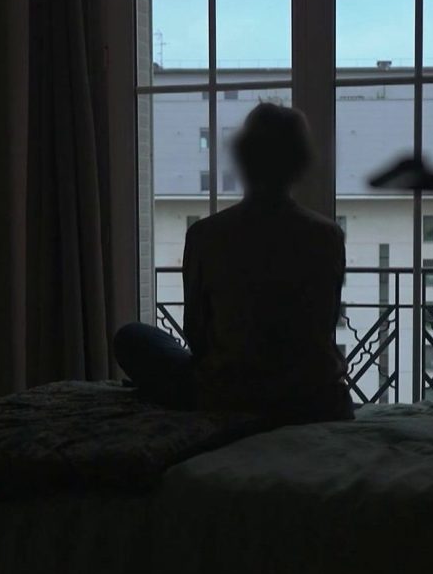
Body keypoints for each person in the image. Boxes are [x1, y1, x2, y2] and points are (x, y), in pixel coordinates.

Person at [114, 103, 353, 423]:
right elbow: (324, 327)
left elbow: (197, 334)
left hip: (229, 394)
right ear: (299, 164)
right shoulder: (328, 235)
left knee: (132, 337)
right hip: (314, 398)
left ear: (242, 159)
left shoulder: (205, 235)